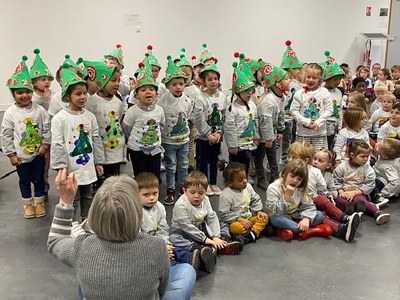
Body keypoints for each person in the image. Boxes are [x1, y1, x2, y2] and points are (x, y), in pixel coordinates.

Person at [48, 169, 196, 300]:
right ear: (136, 212)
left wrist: (65, 201)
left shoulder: (82, 246)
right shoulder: (156, 246)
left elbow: (55, 241)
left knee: (83, 283)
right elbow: (161, 289)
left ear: (95, 213)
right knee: (187, 271)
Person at [51, 64, 104, 221]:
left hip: (87, 166)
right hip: (70, 168)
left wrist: (99, 162)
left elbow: (95, 139)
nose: (83, 97)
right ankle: (70, 223)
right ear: (68, 96)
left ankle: (86, 220)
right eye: (78, 94)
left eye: (85, 93)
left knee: (88, 194)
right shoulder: (60, 118)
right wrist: (62, 166)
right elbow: (58, 143)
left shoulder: (90, 117)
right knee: (72, 196)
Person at [1, 55, 51, 218]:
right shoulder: (10, 113)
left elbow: (46, 127)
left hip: (38, 154)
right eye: (19, 93)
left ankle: (38, 202)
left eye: (27, 92)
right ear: (13, 94)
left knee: (38, 179)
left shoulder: (39, 110)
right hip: (21, 157)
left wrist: (45, 144)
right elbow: (6, 134)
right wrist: (10, 154)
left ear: (32, 92)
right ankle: (27, 204)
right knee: (24, 180)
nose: (24, 96)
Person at [170, 171, 243, 274]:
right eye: (192, 192)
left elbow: (211, 217)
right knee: (173, 238)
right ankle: (200, 248)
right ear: (184, 191)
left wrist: (216, 236)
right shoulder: (180, 205)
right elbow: (187, 227)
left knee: (222, 222)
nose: (196, 196)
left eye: (201, 193)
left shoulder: (206, 200)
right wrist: (206, 240)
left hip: (201, 228)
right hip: (185, 232)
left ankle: (221, 243)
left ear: (205, 192)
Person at [288, 142, 360, 242]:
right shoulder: (287, 171)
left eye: (294, 157)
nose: (289, 160)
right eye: (289, 157)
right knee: (319, 216)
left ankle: (345, 218)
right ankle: (340, 230)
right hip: (296, 206)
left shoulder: (315, 172)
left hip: (311, 201)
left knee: (321, 200)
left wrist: (325, 202)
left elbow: (322, 189)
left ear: (305, 160)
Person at [136, 172, 201, 272]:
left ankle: (198, 260)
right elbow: (138, 240)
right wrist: (160, 249)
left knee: (175, 250)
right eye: (146, 195)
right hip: (145, 249)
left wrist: (165, 245)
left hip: (159, 243)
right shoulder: (136, 212)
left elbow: (163, 229)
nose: (152, 197)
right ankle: (180, 267)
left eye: (155, 193)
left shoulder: (160, 207)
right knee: (164, 259)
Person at [265, 159, 332, 241]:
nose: (295, 181)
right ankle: (309, 230)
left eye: (299, 179)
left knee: (319, 215)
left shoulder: (300, 189)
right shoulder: (273, 188)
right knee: (276, 219)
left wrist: (307, 219)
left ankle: (294, 230)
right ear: (284, 174)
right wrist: (287, 196)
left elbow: (309, 206)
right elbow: (274, 211)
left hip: (295, 215)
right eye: (292, 176)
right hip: (279, 216)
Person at [157, 56, 193, 205]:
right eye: (174, 84)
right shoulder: (163, 101)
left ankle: (183, 186)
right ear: (167, 85)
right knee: (171, 166)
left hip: (183, 140)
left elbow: (188, 115)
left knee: (183, 164)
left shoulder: (186, 100)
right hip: (169, 141)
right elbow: (159, 117)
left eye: (181, 84)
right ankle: (170, 189)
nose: (178, 87)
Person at [122, 62, 165, 183]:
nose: (148, 92)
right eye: (143, 90)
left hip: (155, 150)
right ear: (136, 95)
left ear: (156, 93)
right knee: (140, 177)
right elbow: (126, 129)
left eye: (152, 89)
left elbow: (162, 126)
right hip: (137, 151)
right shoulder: (132, 111)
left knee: (155, 177)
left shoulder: (159, 110)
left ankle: (153, 197)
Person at [333, 139, 390, 225]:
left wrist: (355, 192)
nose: (366, 159)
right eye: (363, 156)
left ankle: (377, 212)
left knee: (360, 201)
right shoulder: (342, 167)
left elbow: (369, 184)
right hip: (344, 192)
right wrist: (340, 191)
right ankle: (350, 209)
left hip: (359, 192)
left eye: (367, 156)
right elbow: (336, 180)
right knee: (339, 199)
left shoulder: (367, 169)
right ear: (352, 155)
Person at [85, 64, 125, 185]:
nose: (117, 84)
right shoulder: (92, 102)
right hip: (100, 151)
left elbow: (120, 122)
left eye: (118, 80)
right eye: (113, 80)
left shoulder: (118, 102)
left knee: (115, 181)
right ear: (102, 81)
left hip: (116, 150)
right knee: (102, 183)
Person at [193, 63, 227, 196]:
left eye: (215, 79)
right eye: (210, 79)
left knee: (214, 160)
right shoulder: (200, 97)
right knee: (203, 161)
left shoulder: (222, 97)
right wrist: (207, 133)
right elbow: (198, 118)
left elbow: (224, 116)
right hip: (204, 137)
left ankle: (213, 182)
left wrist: (219, 132)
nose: (213, 82)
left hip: (216, 135)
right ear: (204, 82)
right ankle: (204, 183)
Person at [255, 62, 289, 189]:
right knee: (260, 156)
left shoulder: (281, 97)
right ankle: (261, 178)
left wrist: (280, 130)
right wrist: (268, 138)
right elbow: (265, 122)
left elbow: (281, 114)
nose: (289, 80)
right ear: (278, 84)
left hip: (272, 133)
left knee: (272, 154)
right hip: (262, 134)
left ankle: (274, 177)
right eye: (286, 79)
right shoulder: (268, 101)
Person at [219, 162, 268, 245]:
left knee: (264, 217)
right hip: (236, 221)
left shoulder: (248, 187)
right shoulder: (225, 195)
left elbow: (255, 199)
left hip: (249, 218)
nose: (245, 181)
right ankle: (257, 230)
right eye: (240, 180)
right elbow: (224, 214)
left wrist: (259, 211)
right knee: (237, 228)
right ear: (230, 182)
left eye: (245, 178)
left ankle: (250, 234)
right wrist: (239, 219)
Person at [224, 63, 259, 179]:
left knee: (246, 163)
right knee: (235, 166)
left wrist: (256, 136)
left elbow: (255, 122)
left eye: (251, 91)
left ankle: (245, 178)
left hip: (248, 143)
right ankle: (233, 181)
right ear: (238, 92)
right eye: (246, 91)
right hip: (238, 145)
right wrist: (232, 145)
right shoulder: (232, 109)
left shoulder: (252, 105)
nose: (249, 93)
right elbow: (229, 128)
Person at [290, 63, 333, 150]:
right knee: (302, 158)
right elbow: (293, 111)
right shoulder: (299, 94)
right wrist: (307, 122)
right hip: (303, 134)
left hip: (319, 133)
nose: (310, 80)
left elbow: (329, 110)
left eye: (314, 78)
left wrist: (318, 122)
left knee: (319, 158)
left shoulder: (324, 92)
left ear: (320, 79)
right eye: (308, 77)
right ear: (304, 77)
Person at [177, 51, 201, 174]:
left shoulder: (195, 90)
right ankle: (179, 165)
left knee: (190, 144)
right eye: (182, 75)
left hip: (191, 122)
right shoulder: (176, 88)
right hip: (178, 122)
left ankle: (190, 164)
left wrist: (192, 119)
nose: (185, 78)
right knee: (179, 145)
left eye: (188, 75)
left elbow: (197, 107)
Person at [280, 40, 303, 165]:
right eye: (296, 68)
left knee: (289, 139)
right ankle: (283, 160)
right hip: (282, 117)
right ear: (290, 68)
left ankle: (287, 159)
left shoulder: (296, 83)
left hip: (292, 116)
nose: (299, 71)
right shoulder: (282, 81)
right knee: (282, 140)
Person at [322, 51, 345, 151]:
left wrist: (339, 125)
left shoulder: (338, 92)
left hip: (333, 126)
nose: (338, 82)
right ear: (327, 79)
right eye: (335, 79)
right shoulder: (321, 92)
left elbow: (339, 109)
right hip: (322, 126)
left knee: (330, 147)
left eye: (339, 79)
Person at [371, 138, 400, 205]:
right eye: (380, 142)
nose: (376, 144)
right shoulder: (386, 156)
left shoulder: (388, 167)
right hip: (380, 174)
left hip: (386, 184)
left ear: (385, 156)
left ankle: (378, 196)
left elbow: (395, 182)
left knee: (372, 184)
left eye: (379, 147)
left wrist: (384, 193)